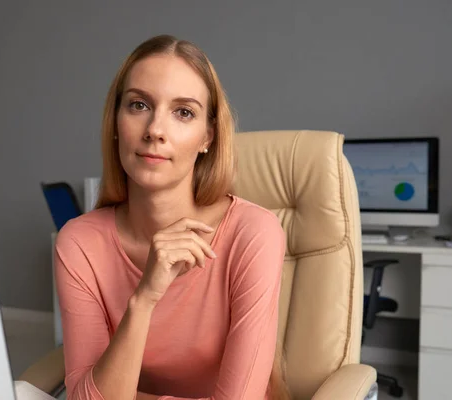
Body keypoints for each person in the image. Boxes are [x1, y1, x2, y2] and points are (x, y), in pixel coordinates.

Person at [54, 34, 288, 400]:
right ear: (116, 123)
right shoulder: (79, 242)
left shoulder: (253, 233)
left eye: (183, 112)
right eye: (138, 105)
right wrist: (144, 297)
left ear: (207, 136)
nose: (155, 131)